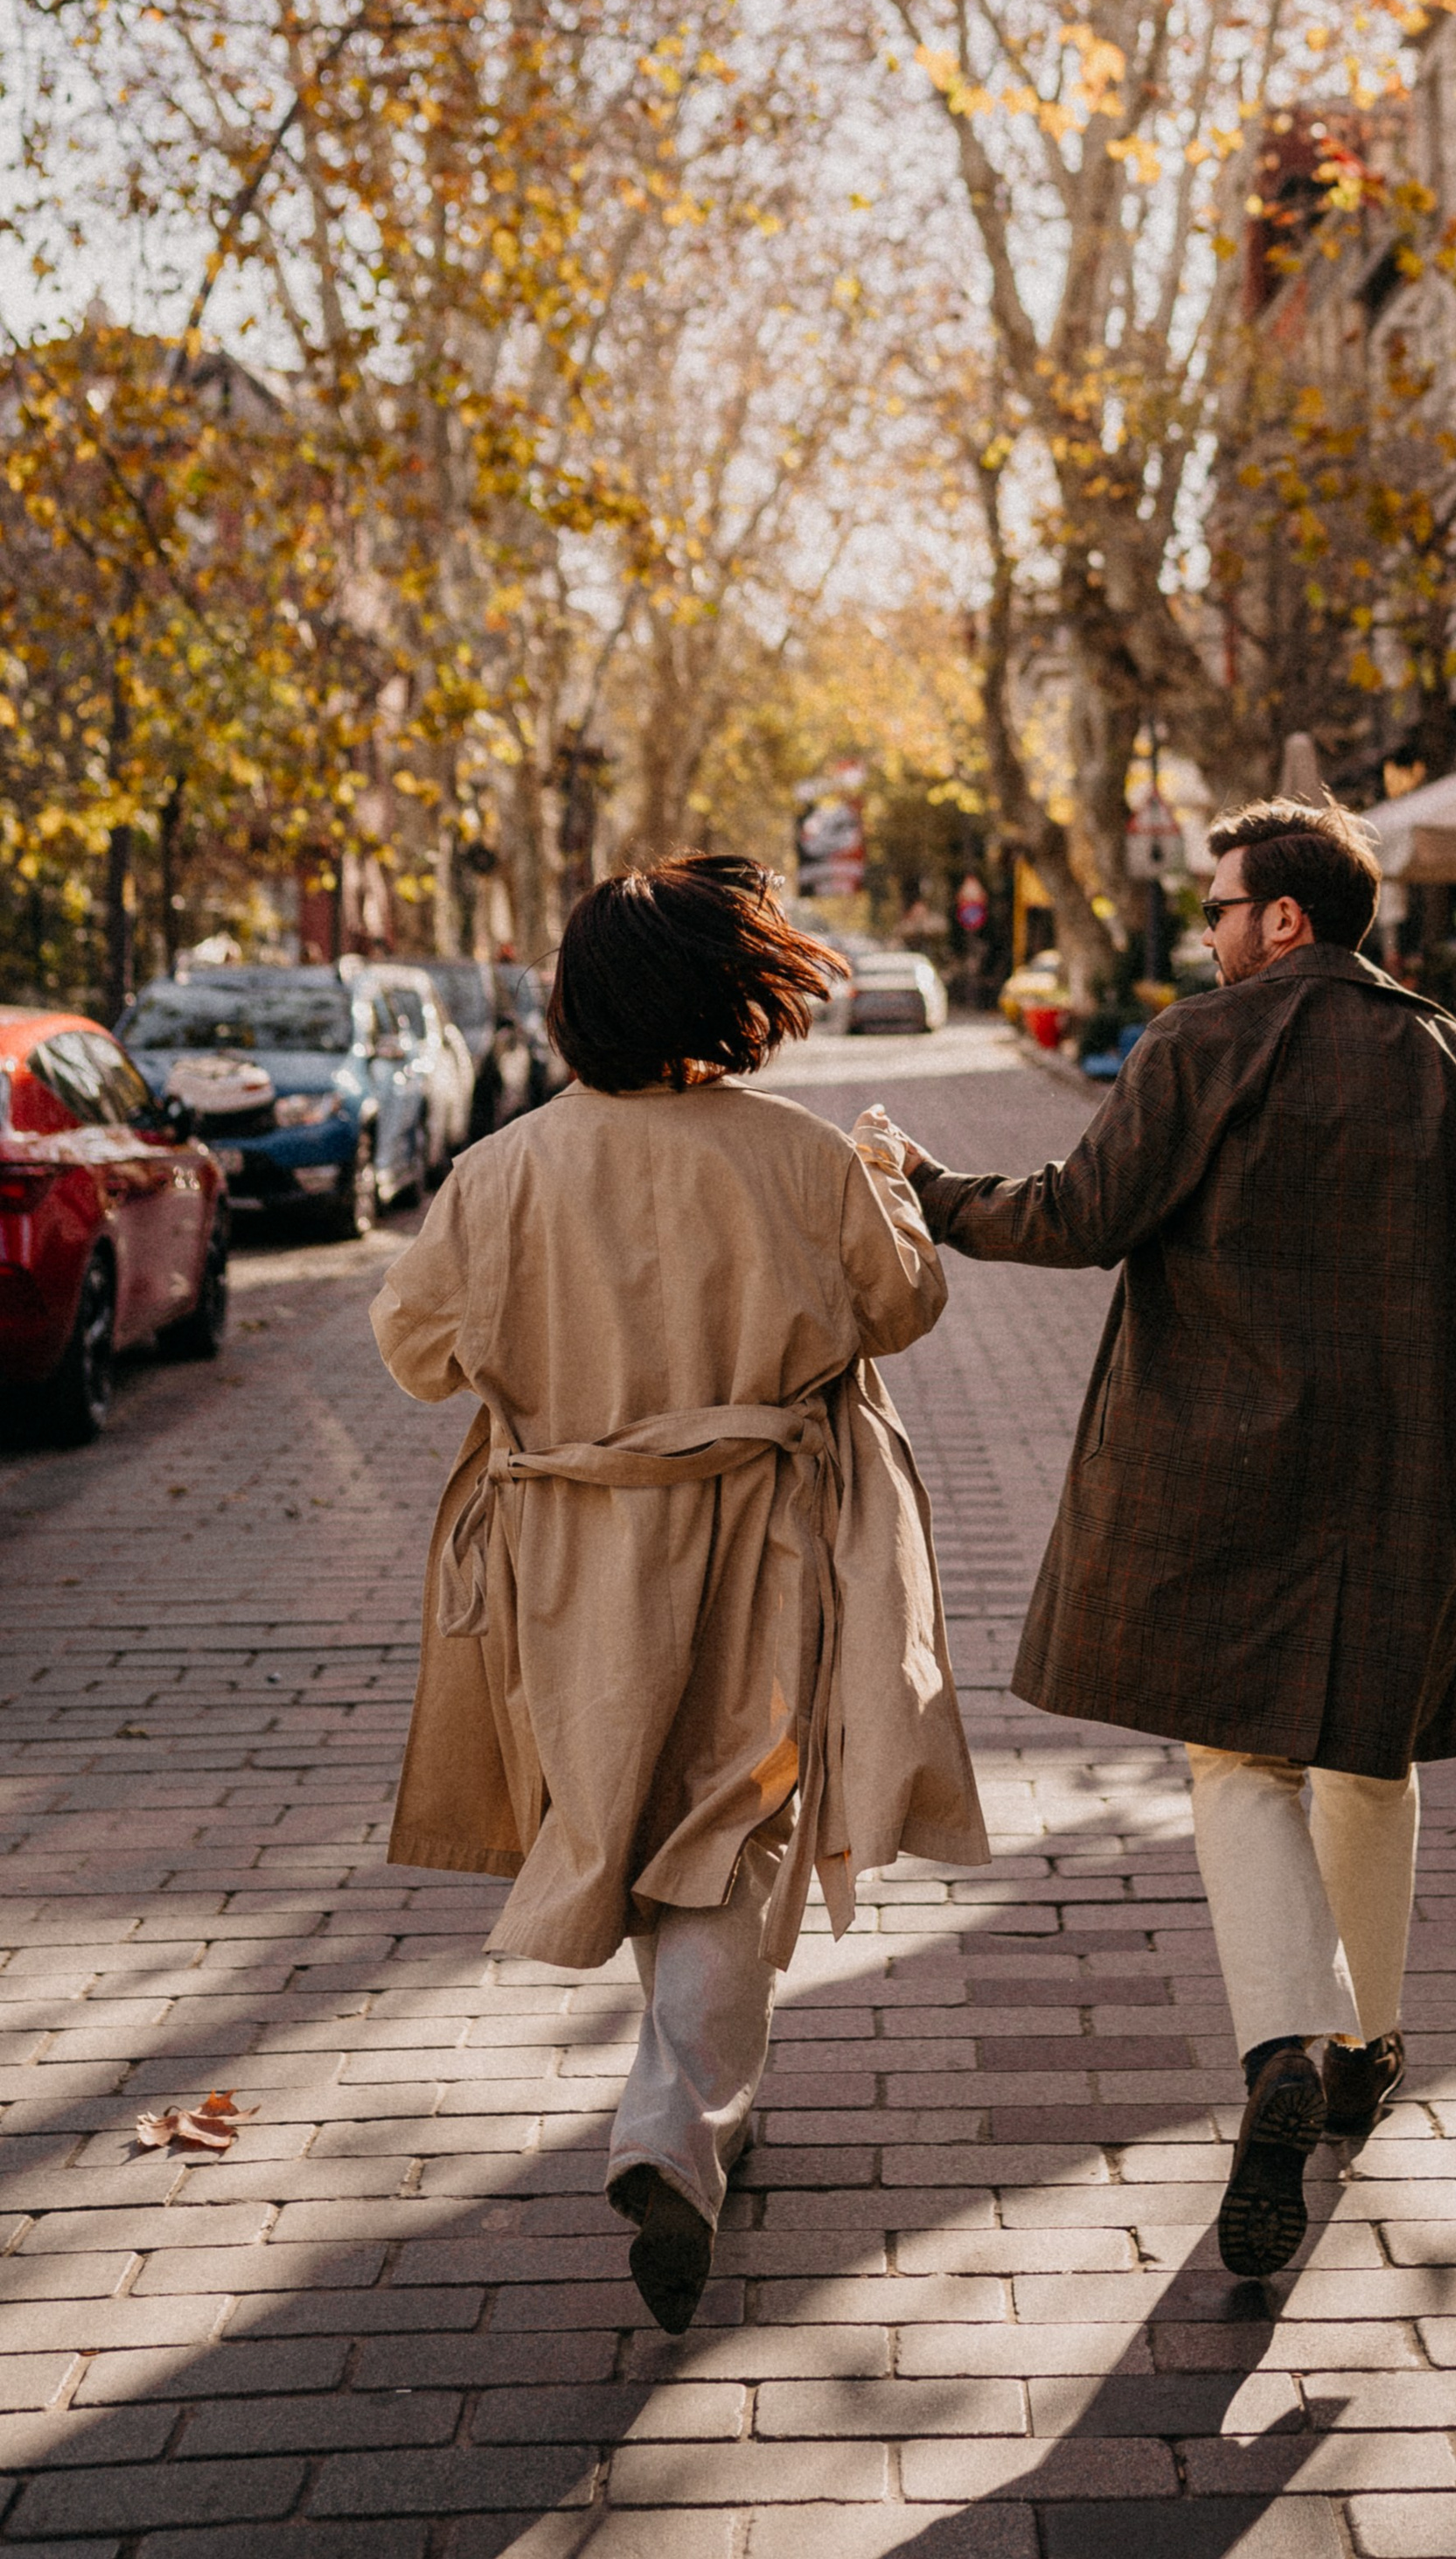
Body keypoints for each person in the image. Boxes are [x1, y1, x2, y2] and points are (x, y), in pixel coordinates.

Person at [885, 796, 1456, 2281]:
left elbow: (1079, 1217)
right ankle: (1369, 2043)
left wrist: (928, 1190)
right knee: (1369, 1751)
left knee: (1237, 1758)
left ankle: (1285, 2040)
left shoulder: (1197, 1048)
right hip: (1402, 1473)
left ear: (1281, 919)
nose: (1202, 931)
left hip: (1212, 1474)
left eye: (1217, 906)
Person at [369, 855, 987, 2333]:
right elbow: (903, 1306)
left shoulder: (497, 1173)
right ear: (735, 996)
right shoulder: (803, 1155)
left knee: (640, 1812)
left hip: (567, 1559)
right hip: (767, 1540)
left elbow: (415, 1350)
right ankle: (677, 2123)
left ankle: (693, 2105)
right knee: (733, 1823)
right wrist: (890, 1189)